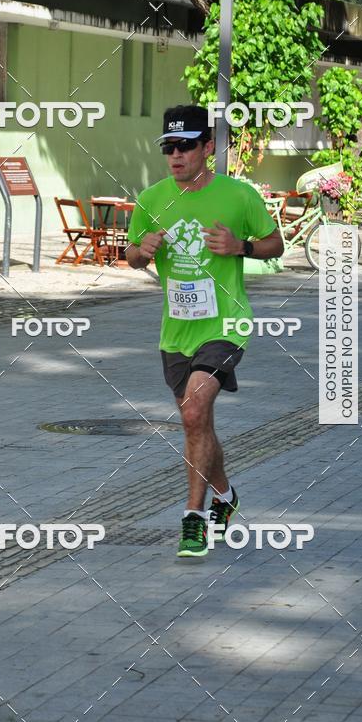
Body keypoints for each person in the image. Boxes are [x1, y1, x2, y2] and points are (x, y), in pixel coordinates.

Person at [126, 105, 284, 558]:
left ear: (208, 147)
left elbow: (276, 243)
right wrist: (141, 251)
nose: (175, 156)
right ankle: (225, 495)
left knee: (195, 410)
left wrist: (241, 246)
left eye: (185, 146)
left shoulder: (238, 195)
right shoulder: (152, 199)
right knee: (197, 423)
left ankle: (192, 518)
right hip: (176, 332)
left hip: (226, 324)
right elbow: (131, 255)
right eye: (169, 148)